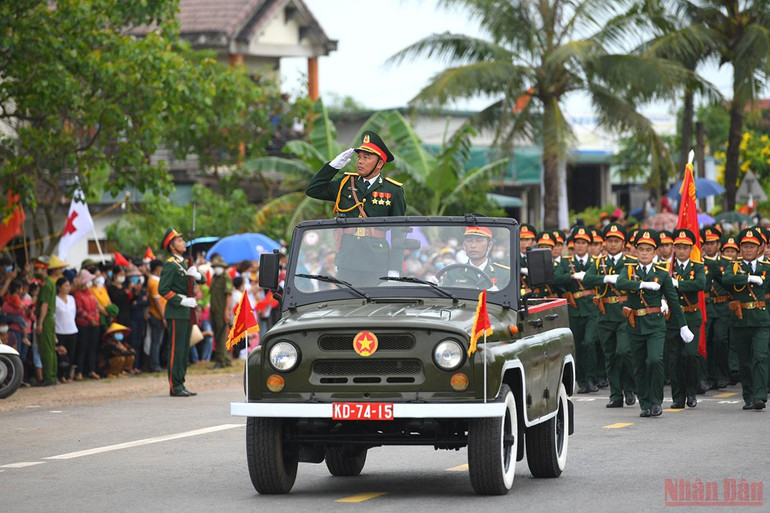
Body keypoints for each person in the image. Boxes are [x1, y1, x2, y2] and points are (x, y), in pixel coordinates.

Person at [615, 229, 693, 417]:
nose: (644, 253)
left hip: (655, 324)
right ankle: (645, 403)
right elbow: (620, 283)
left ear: (655, 252)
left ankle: (656, 401)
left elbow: (673, 301)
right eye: (640, 249)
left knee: (655, 360)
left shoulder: (663, 274)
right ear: (635, 251)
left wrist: (683, 325)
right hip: (635, 324)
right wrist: (641, 284)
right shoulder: (629, 270)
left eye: (648, 250)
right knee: (639, 364)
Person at [582, 223, 636, 407]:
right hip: (604, 315)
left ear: (623, 242)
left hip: (623, 313)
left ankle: (629, 387)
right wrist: (604, 278)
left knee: (624, 351)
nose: (613, 244)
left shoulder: (630, 262)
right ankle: (616, 395)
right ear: (605, 243)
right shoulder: (598, 262)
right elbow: (587, 279)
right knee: (610, 355)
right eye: (610, 241)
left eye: (617, 241)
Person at [721, 228, 770, 410]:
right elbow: (726, 279)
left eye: (752, 246)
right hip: (740, 320)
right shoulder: (734, 266)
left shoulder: (767, 267)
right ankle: (748, 396)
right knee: (745, 360)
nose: (748, 250)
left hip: (761, 319)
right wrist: (749, 278)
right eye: (745, 247)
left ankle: (759, 395)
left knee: (760, 356)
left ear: (760, 248)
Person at [305, 130, 406, 218]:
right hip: (347, 240)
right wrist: (333, 166)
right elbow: (313, 190)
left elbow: (399, 230)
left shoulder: (393, 190)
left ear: (379, 164)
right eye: (359, 157)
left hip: (375, 240)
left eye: (366, 157)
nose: (360, 161)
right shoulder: (345, 183)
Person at [158, 228, 205, 397]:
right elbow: (163, 289)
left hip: (186, 312)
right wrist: (182, 300)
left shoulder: (185, 263)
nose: (183, 243)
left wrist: (197, 274)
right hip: (176, 312)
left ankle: (181, 383)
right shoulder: (171, 264)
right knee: (176, 350)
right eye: (179, 240)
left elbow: (204, 280)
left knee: (184, 350)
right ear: (172, 246)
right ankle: (174, 386)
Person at [553, 227, 599, 393]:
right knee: (577, 346)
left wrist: (586, 277)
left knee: (589, 342)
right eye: (577, 242)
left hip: (592, 308)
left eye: (583, 243)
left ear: (588, 245)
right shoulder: (566, 262)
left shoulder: (595, 261)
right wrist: (571, 276)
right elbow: (555, 277)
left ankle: (592, 378)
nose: (580, 246)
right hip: (575, 308)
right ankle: (581, 381)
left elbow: (601, 280)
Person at [666, 229, 706, 409]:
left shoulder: (697, 267)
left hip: (690, 316)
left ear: (691, 249)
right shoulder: (667, 268)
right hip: (673, 318)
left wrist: (679, 284)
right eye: (679, 247)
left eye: (685, 247)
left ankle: (691, 391)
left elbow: (700, 284)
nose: (681, 251)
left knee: (690, 355)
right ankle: (678, 396)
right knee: (674, 359)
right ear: (674, 248)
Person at [701, 226, 731, 389]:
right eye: (706, 243)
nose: (709, 246)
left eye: (713, 243)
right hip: (706, 305)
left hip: (722, 307)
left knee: (720, 340)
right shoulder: (700, 263)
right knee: (705, 342)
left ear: (719, 244)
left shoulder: (726, 263)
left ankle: (722, 375)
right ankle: (708, 376)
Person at [440, 226, 510, 290]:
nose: (473, 245)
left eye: (479, 241)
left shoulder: (504, 273)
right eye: (469, 240)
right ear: (464, 245)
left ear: (489, 245)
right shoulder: (453, 273)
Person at [35, 255, 67, 386]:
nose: (36, 272)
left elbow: (44, 305)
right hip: (50, 319)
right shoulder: (50, 283)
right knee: (51, 348)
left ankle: (48, 377)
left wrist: (40, 323)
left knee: (46, 349)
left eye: (38, 269)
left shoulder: (47, 285)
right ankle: (52, 375)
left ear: (44, 270)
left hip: (46, 319)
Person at [73, 268, 101, 380]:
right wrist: (90, 318)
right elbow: (80, 310)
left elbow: (96, 306)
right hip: (83, 323)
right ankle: (79, 371)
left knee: (92, 348)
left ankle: (91, 370)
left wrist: (96, 318)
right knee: (82, 348)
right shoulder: (78, 294)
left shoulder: (90, 292)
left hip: (94, 323)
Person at [54, 277, 77, 383]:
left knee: (71, 354)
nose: (68, 288)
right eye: (65, 286)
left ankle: (68, 375)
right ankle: (61, 375)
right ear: (59, 287)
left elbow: (73, 313)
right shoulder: (55, 300)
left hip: (72, 329)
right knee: (61, 354)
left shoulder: (71, 299)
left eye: (69, 286)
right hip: (60, 330)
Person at [146, 259, 166, 372]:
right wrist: (163, 317)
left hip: (160, 315)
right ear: (157, 268)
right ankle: (154, 365)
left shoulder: (156, 280)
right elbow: (157, 302)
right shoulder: (153, 282)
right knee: (156, 341)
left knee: (158, 341)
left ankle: (157, 363)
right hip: (157, 316)